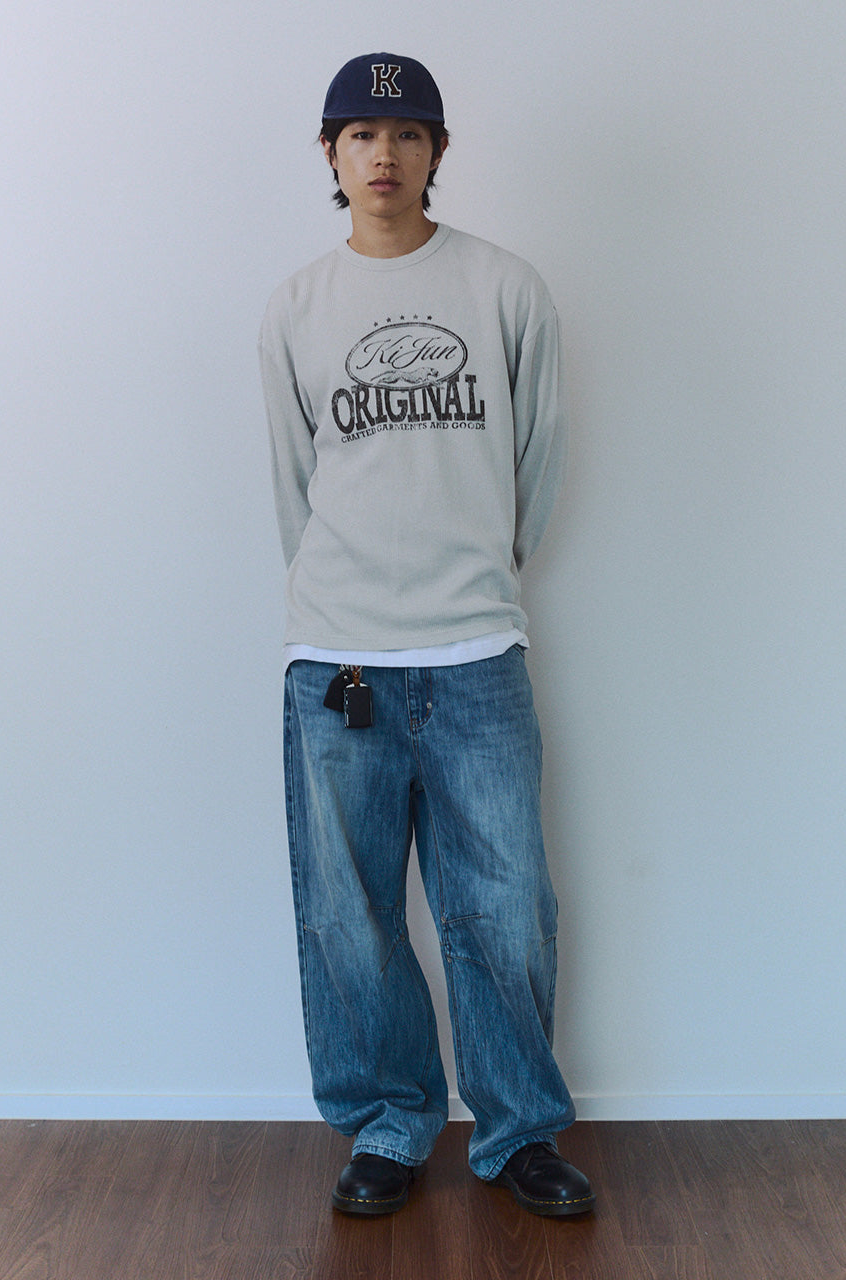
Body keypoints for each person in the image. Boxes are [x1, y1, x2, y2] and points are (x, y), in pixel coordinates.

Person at [258, 52, 594, 1218]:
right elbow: (294, 487)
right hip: (336, 658)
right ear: (331, 153)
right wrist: (347, 592)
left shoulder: (504, 288)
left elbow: (539, 456)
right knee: (347, 914)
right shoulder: (296, 307)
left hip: (476, 656)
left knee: (505, 908)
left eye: (406, 135)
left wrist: (480, 573)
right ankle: (390, 1122)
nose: (384, 155)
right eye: (360, 135)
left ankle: (517, 1131)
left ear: (437, 151)